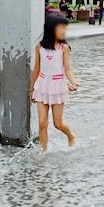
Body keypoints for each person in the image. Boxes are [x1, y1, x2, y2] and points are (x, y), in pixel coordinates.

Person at [29, 14, 79, 153]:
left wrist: (74, 82)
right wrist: (31, 89)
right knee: (42, 122)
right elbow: (36, 69)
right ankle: (44, 151)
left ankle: (70, 135)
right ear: (51, 28)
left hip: (58, 86)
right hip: (42, 85)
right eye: (61, 27)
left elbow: (67, 69)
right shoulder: (39, 46)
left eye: (65, 28)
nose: (64, 31)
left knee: (57, 123)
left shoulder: (64, 48)